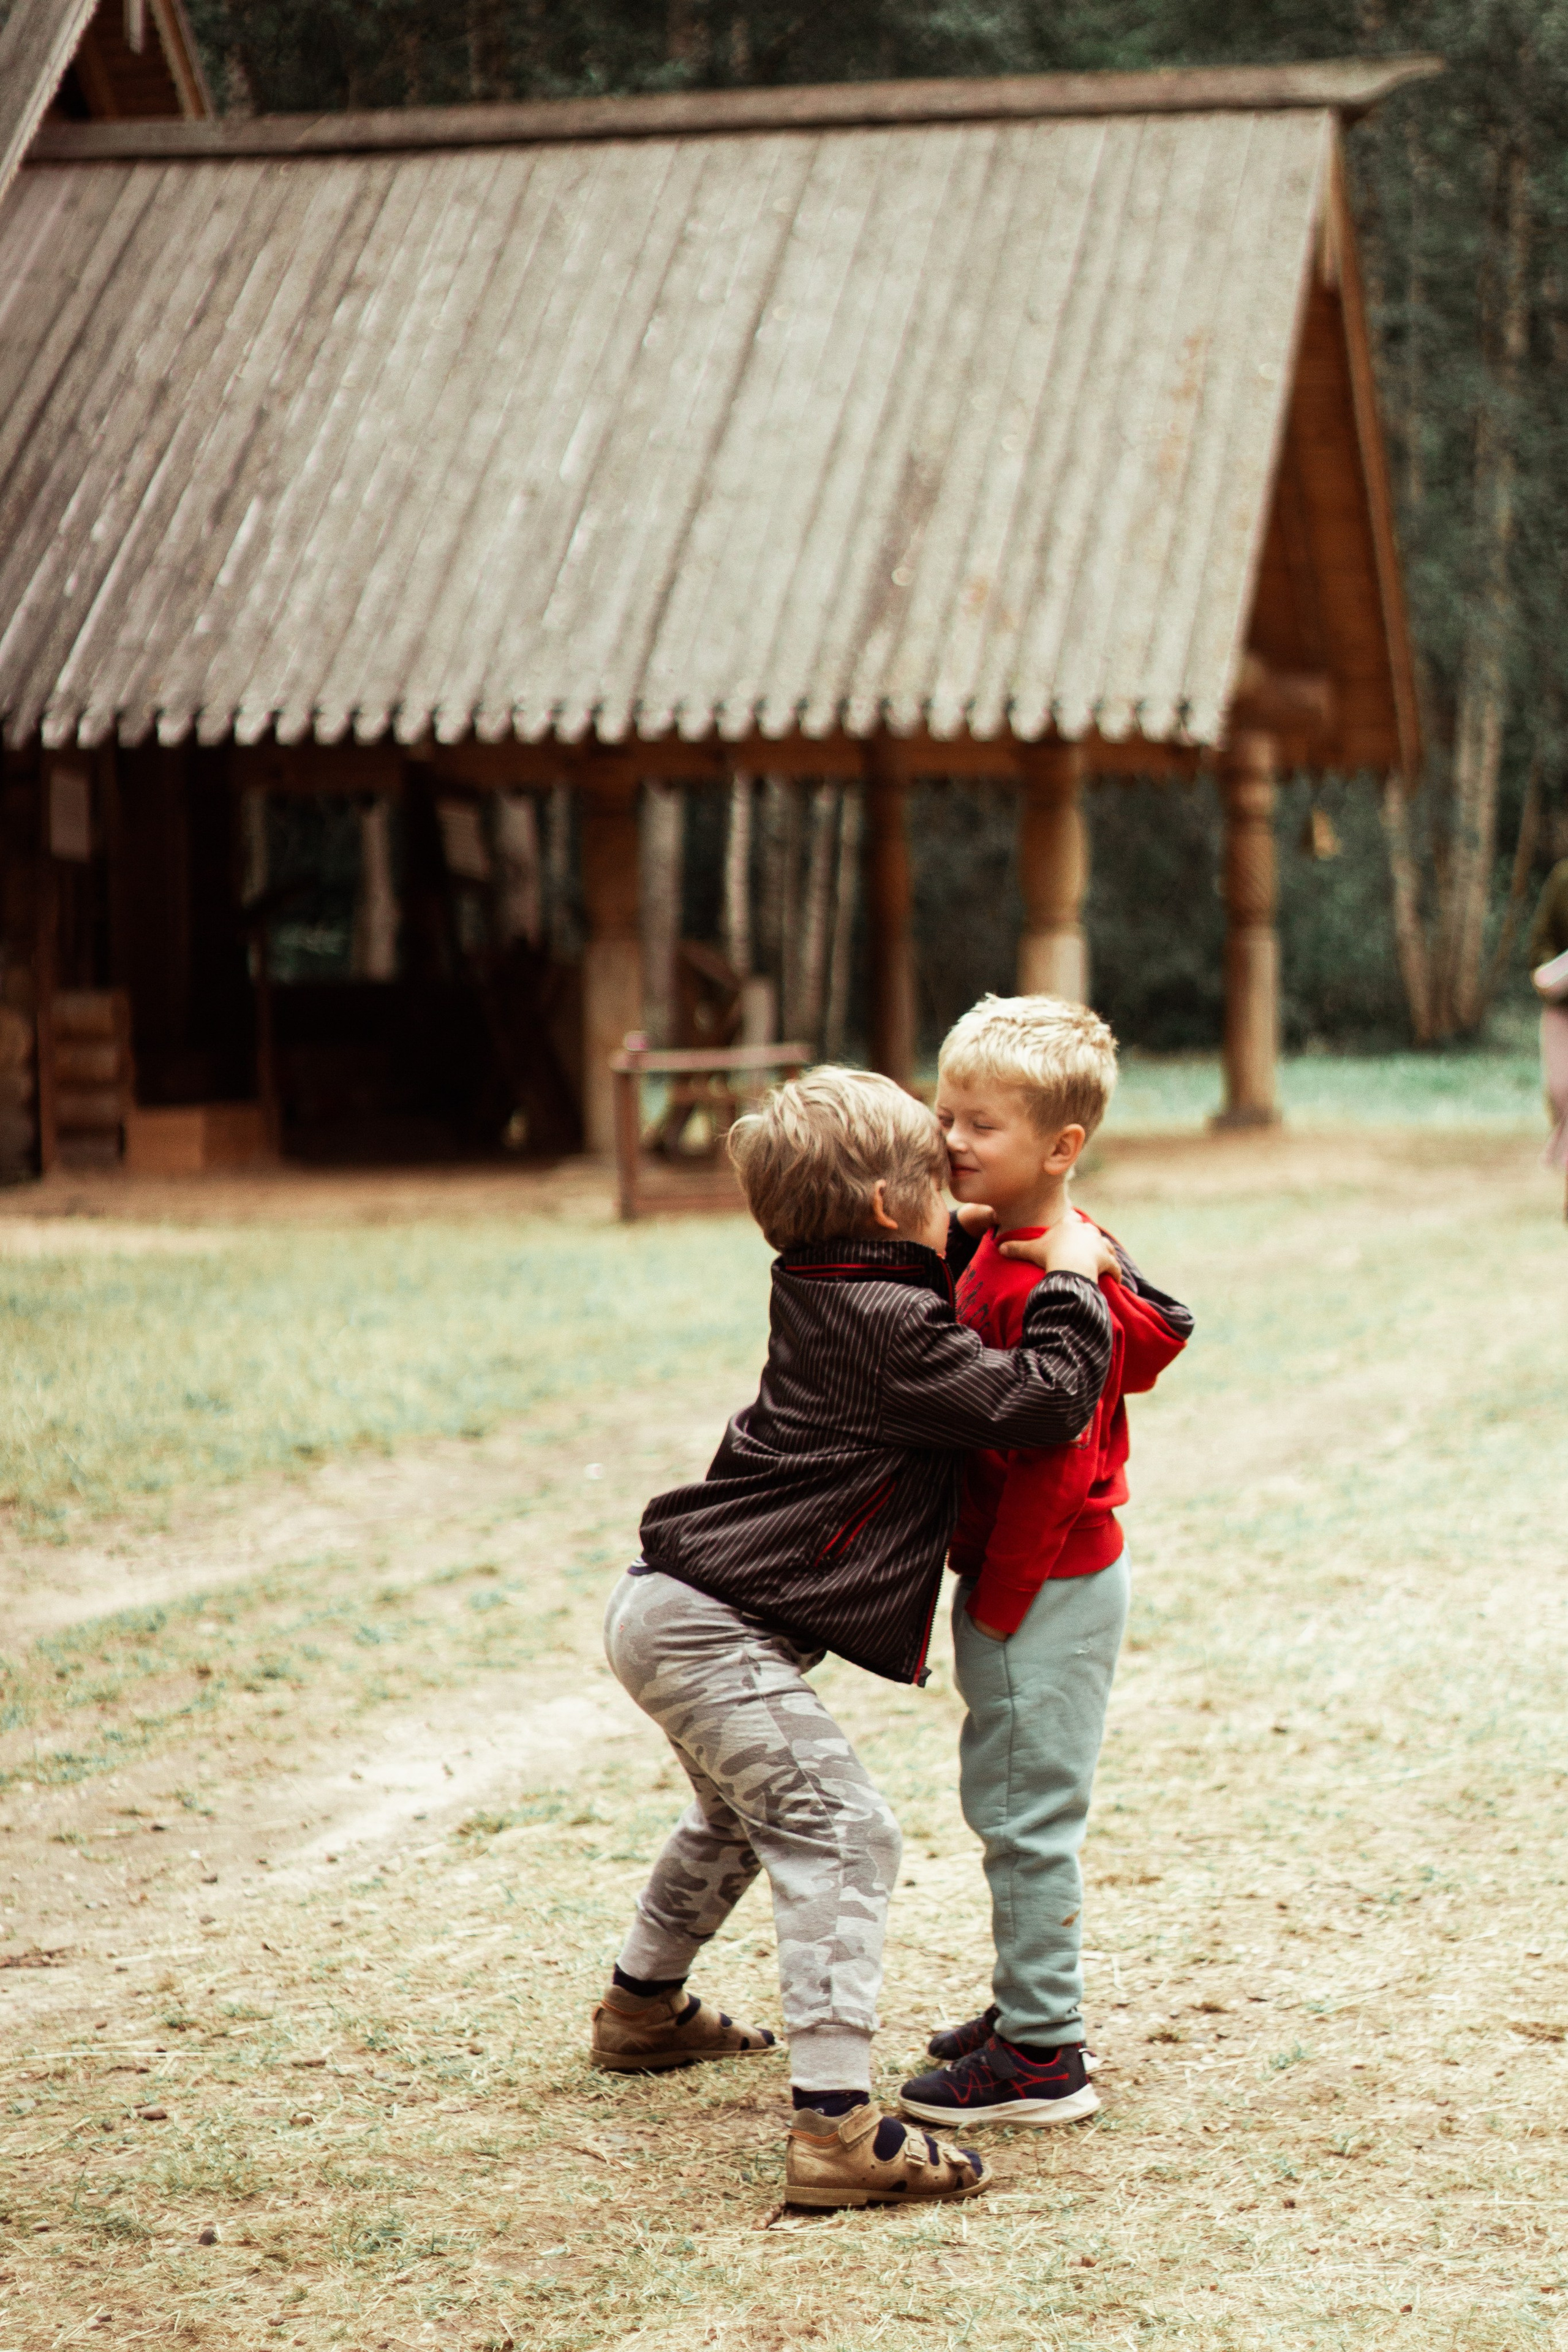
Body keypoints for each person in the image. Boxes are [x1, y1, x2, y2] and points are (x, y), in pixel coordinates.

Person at [590, 1066, 1120, 2209]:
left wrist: (968, 1221)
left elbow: (909, 1264)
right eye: (942, 1174)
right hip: (709, 1630)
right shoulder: (889, 1325)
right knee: (842, 1834)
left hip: (667, 1608)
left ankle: (643, 2009)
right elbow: (1042, 1402)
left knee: (736, 1816)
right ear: (888, 1211)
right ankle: (835, 2128)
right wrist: (1071, 1281)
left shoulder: (832, 1279)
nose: (959, 1191)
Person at [897, 995, 1192, 2131]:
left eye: (982, 1125)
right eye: (946, 1112)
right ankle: (1026, 2004)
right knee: (1012, 1799)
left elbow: (1058, 1464)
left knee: (1024, 1813)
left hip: (1046, 1580)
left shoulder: (1048, 1281)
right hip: (1045, 1580)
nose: (951, 1140)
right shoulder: (1027, 1248)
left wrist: (999, 1600)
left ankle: (1041, 2055)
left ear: (1062, 1148)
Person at [1527, 840, 1568, 1205]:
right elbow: (1540, 945)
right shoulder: (1563, 879)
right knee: (1561, 1092)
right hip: (1563, 1006)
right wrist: (1553, 969)